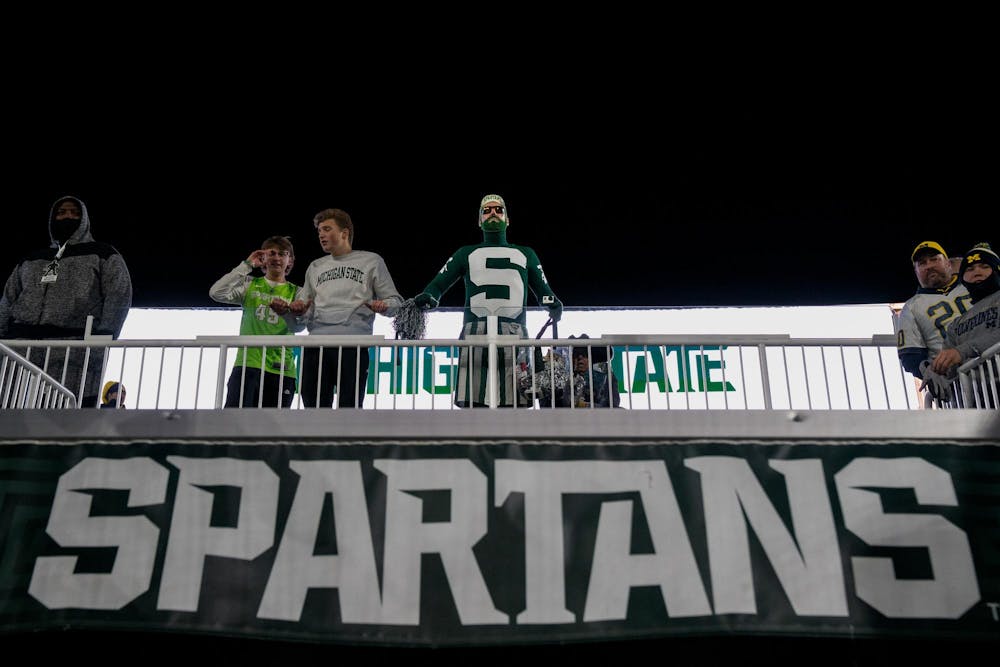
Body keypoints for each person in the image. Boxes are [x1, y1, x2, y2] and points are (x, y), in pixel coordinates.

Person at [414, 194, 563, 407]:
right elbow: (438, 284)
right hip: (476, 331)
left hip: (515, 332)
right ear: (479, 221)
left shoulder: (526, 254)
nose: (493, 213)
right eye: (487, 210)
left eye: (498, 209)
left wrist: (553, 303)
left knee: (515, 401)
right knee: (474, 402)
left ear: (507, 219)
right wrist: (429, 296)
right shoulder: (464, 253)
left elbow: (544, 291)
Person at [0, 196, 132, 407]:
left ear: (84, 219)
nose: (67, 216)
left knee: (66, 412)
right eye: (61, 213)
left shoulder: (103, 254)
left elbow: (119, 293)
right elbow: (8, 297)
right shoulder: (32, 259)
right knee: (13, 409)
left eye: (74, 213)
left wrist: (104, 335)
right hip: (20, 350)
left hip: (74, 350)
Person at [275, 209, 402, 408]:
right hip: (316, 346)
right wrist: (291, 312)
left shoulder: (371, 261)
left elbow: (396, 303)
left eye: (326, 229)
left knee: (349, 408)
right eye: (319, 231)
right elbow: (299, 323)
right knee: (313, 408)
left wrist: (383, 306)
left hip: (353, 346)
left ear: (344, 233)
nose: (321, 235)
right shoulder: (315, 266)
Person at [209, 236, 300, 408]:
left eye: (283, 254)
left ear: (290, 260)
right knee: (234, 423)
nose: (277, 258)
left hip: (282, 369)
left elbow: (301, 325)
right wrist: (247, 264)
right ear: (263, 257)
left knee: (273, 432)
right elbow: (216, 293)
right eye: (271, 253)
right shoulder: (250, 285)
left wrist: (292, 311)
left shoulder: (296, 292)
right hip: (247, 364)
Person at [926, 242, 1000, 406]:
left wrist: (963, 351)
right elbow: (948, 365)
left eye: (984, 266)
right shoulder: (955, 325)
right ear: (963, 278)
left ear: (996, 270)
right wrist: (935, 370)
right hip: (976, 403)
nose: (977, 272)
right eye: (970, 269)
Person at [894, 241, 971, 389]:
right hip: (958, 383)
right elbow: (910, 356)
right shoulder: (911, 308)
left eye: (934, 259)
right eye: (922, 263)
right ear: (916, 272)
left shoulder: (972, 284)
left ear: (948, 263)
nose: (929, 266)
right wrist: (930, 372)